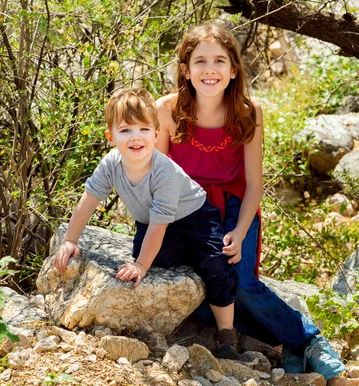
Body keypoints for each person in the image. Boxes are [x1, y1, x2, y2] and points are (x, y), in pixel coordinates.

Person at [155, 24, 345, 380]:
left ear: (233, 70)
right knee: (202, 295)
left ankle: (308, 339)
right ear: (185, 69)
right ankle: (284, 341)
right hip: (187, 210)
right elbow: (158, 178)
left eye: (219, 60)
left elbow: (255, 183)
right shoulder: (166, 110)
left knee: (241, 284)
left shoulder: (247, 111)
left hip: (234, 205)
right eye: (200, 61)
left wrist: (240, 232)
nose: (209, 69)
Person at [53, 88, 241, 359]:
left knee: (214, 264)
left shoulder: (163, 170)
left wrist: (140, 265)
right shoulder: (110, 165)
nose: (136, 137)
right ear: (111, 137)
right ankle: (187, 257)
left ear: (156, 133)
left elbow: (159, 225)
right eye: (126, 130)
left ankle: (226, 332)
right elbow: (88, 201)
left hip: (196, 217)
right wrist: (70, 240)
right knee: (155, 256)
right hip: (154, 222)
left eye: (143, 129)